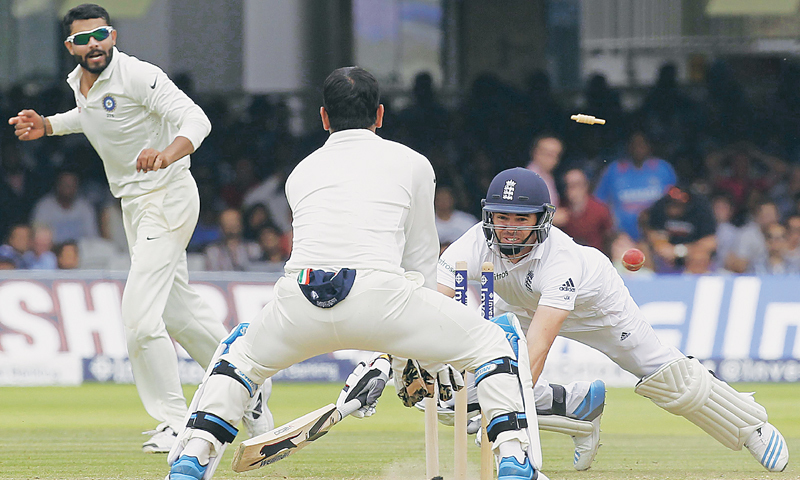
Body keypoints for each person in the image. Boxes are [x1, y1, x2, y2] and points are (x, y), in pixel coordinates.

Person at [167, 67, 544, 480]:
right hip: (382, 297)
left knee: (239, 357)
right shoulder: (414, 164)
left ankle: (194, 456)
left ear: (324, 118)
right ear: (380, 115)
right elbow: (419, 262)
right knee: (496, 342)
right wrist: (417, 355)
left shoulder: (300, 173)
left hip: (299, 298)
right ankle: (513, 461)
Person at [8, 4, 270, 453]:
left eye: (102, 34)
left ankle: (176, 421)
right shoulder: (81, 83)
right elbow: (95, 119)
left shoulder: (138, 75)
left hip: (166, 197)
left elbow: (197, 120)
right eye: (84, 39)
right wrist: (49, 125)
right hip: (137, 203)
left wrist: (167, 153)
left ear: (113, 34)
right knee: (179, 314)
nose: (95, 44)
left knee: (139, 319)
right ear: (69, 45)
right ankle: (249, 386)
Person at [437, 167, 788, 472]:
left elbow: (538, 350)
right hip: (522, 306)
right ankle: (576, 405)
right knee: (456, 397)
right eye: (501, 217)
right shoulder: (472, 244)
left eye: (521, 218)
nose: (509, 228)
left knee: (668, 378)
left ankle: (750, 425)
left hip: (597, 307)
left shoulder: (559, 260)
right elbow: (435, 304)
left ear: (541, 218)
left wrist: (503, 410)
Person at [594, 130, 677, 241]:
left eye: (642, 144)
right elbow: (599, 203)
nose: (638, 148)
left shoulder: (663, 169)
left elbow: (676, 203)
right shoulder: (614, 170)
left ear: (649, 146)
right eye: (634, 144)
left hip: (658, 238)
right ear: (628, 147)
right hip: (623, 239)